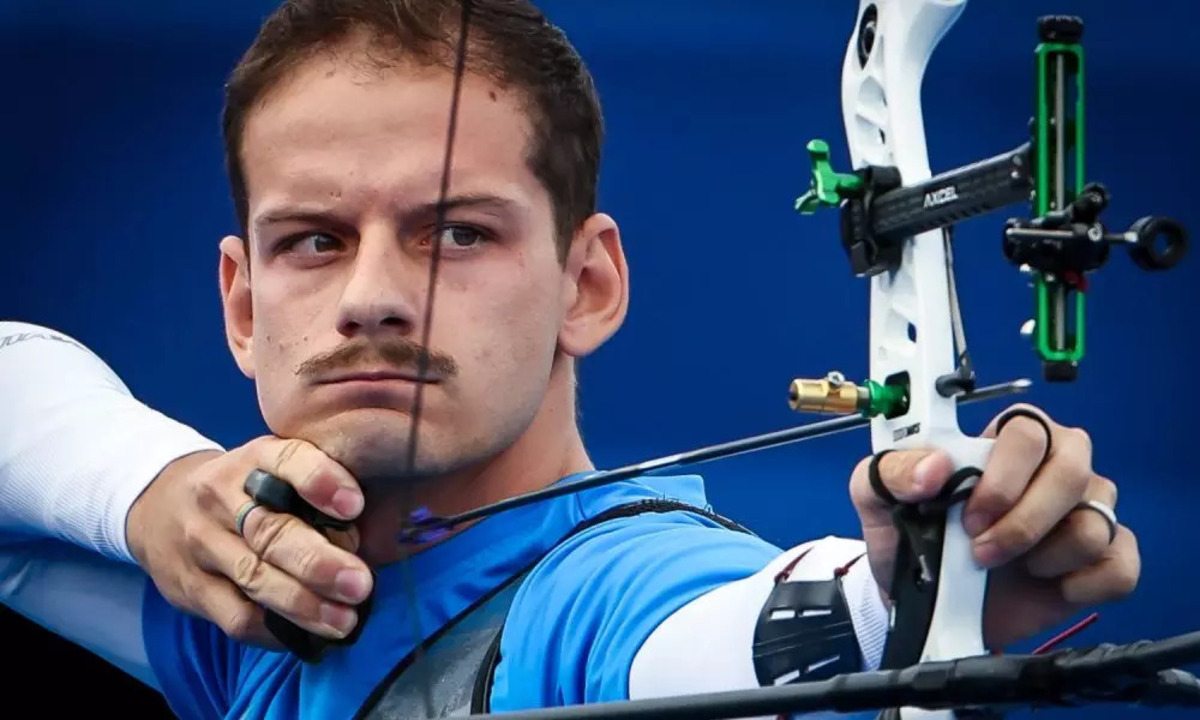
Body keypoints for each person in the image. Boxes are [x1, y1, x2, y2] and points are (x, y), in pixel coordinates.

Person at [0, 1, 1137, 718]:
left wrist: (911, 594)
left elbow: (724, 631)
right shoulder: (260, 609)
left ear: (586, 285)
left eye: (457, 233)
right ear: (242, 306)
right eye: (315, 240)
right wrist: (151, 492)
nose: (375, 299)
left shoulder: (601, 600)